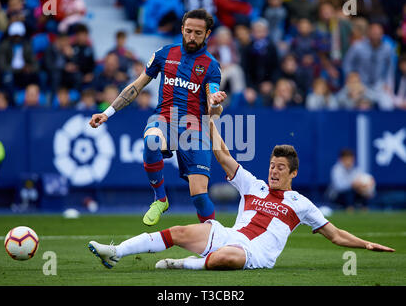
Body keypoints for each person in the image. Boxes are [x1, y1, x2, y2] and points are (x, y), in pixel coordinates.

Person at [88, 94, 394, 271]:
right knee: (180, 230)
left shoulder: (301, 204)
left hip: (254, 255)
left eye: (280, 169)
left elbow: (336, 235)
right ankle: (114, 251)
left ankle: (183, 264)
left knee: (230, 257)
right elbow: (222, 156)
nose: (274, 171)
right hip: (228, 235)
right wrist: (210, 120)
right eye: (272, 166)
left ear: (293, 174)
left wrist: (365, 244)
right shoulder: (254, 185)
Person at [89, 9, 224, 226]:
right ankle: (160, 198)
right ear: (181, 29)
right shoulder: (164, 54)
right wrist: (107, 113)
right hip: (164, 118)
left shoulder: (211, 66)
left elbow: (213, 109)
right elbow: (137, 86)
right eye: (188, 31)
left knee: (199, 196)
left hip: (194, 128)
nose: (191, 37)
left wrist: (216, 102)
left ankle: (214, 243)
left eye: (198, 33)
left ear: (207, 34)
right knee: (151, 140)